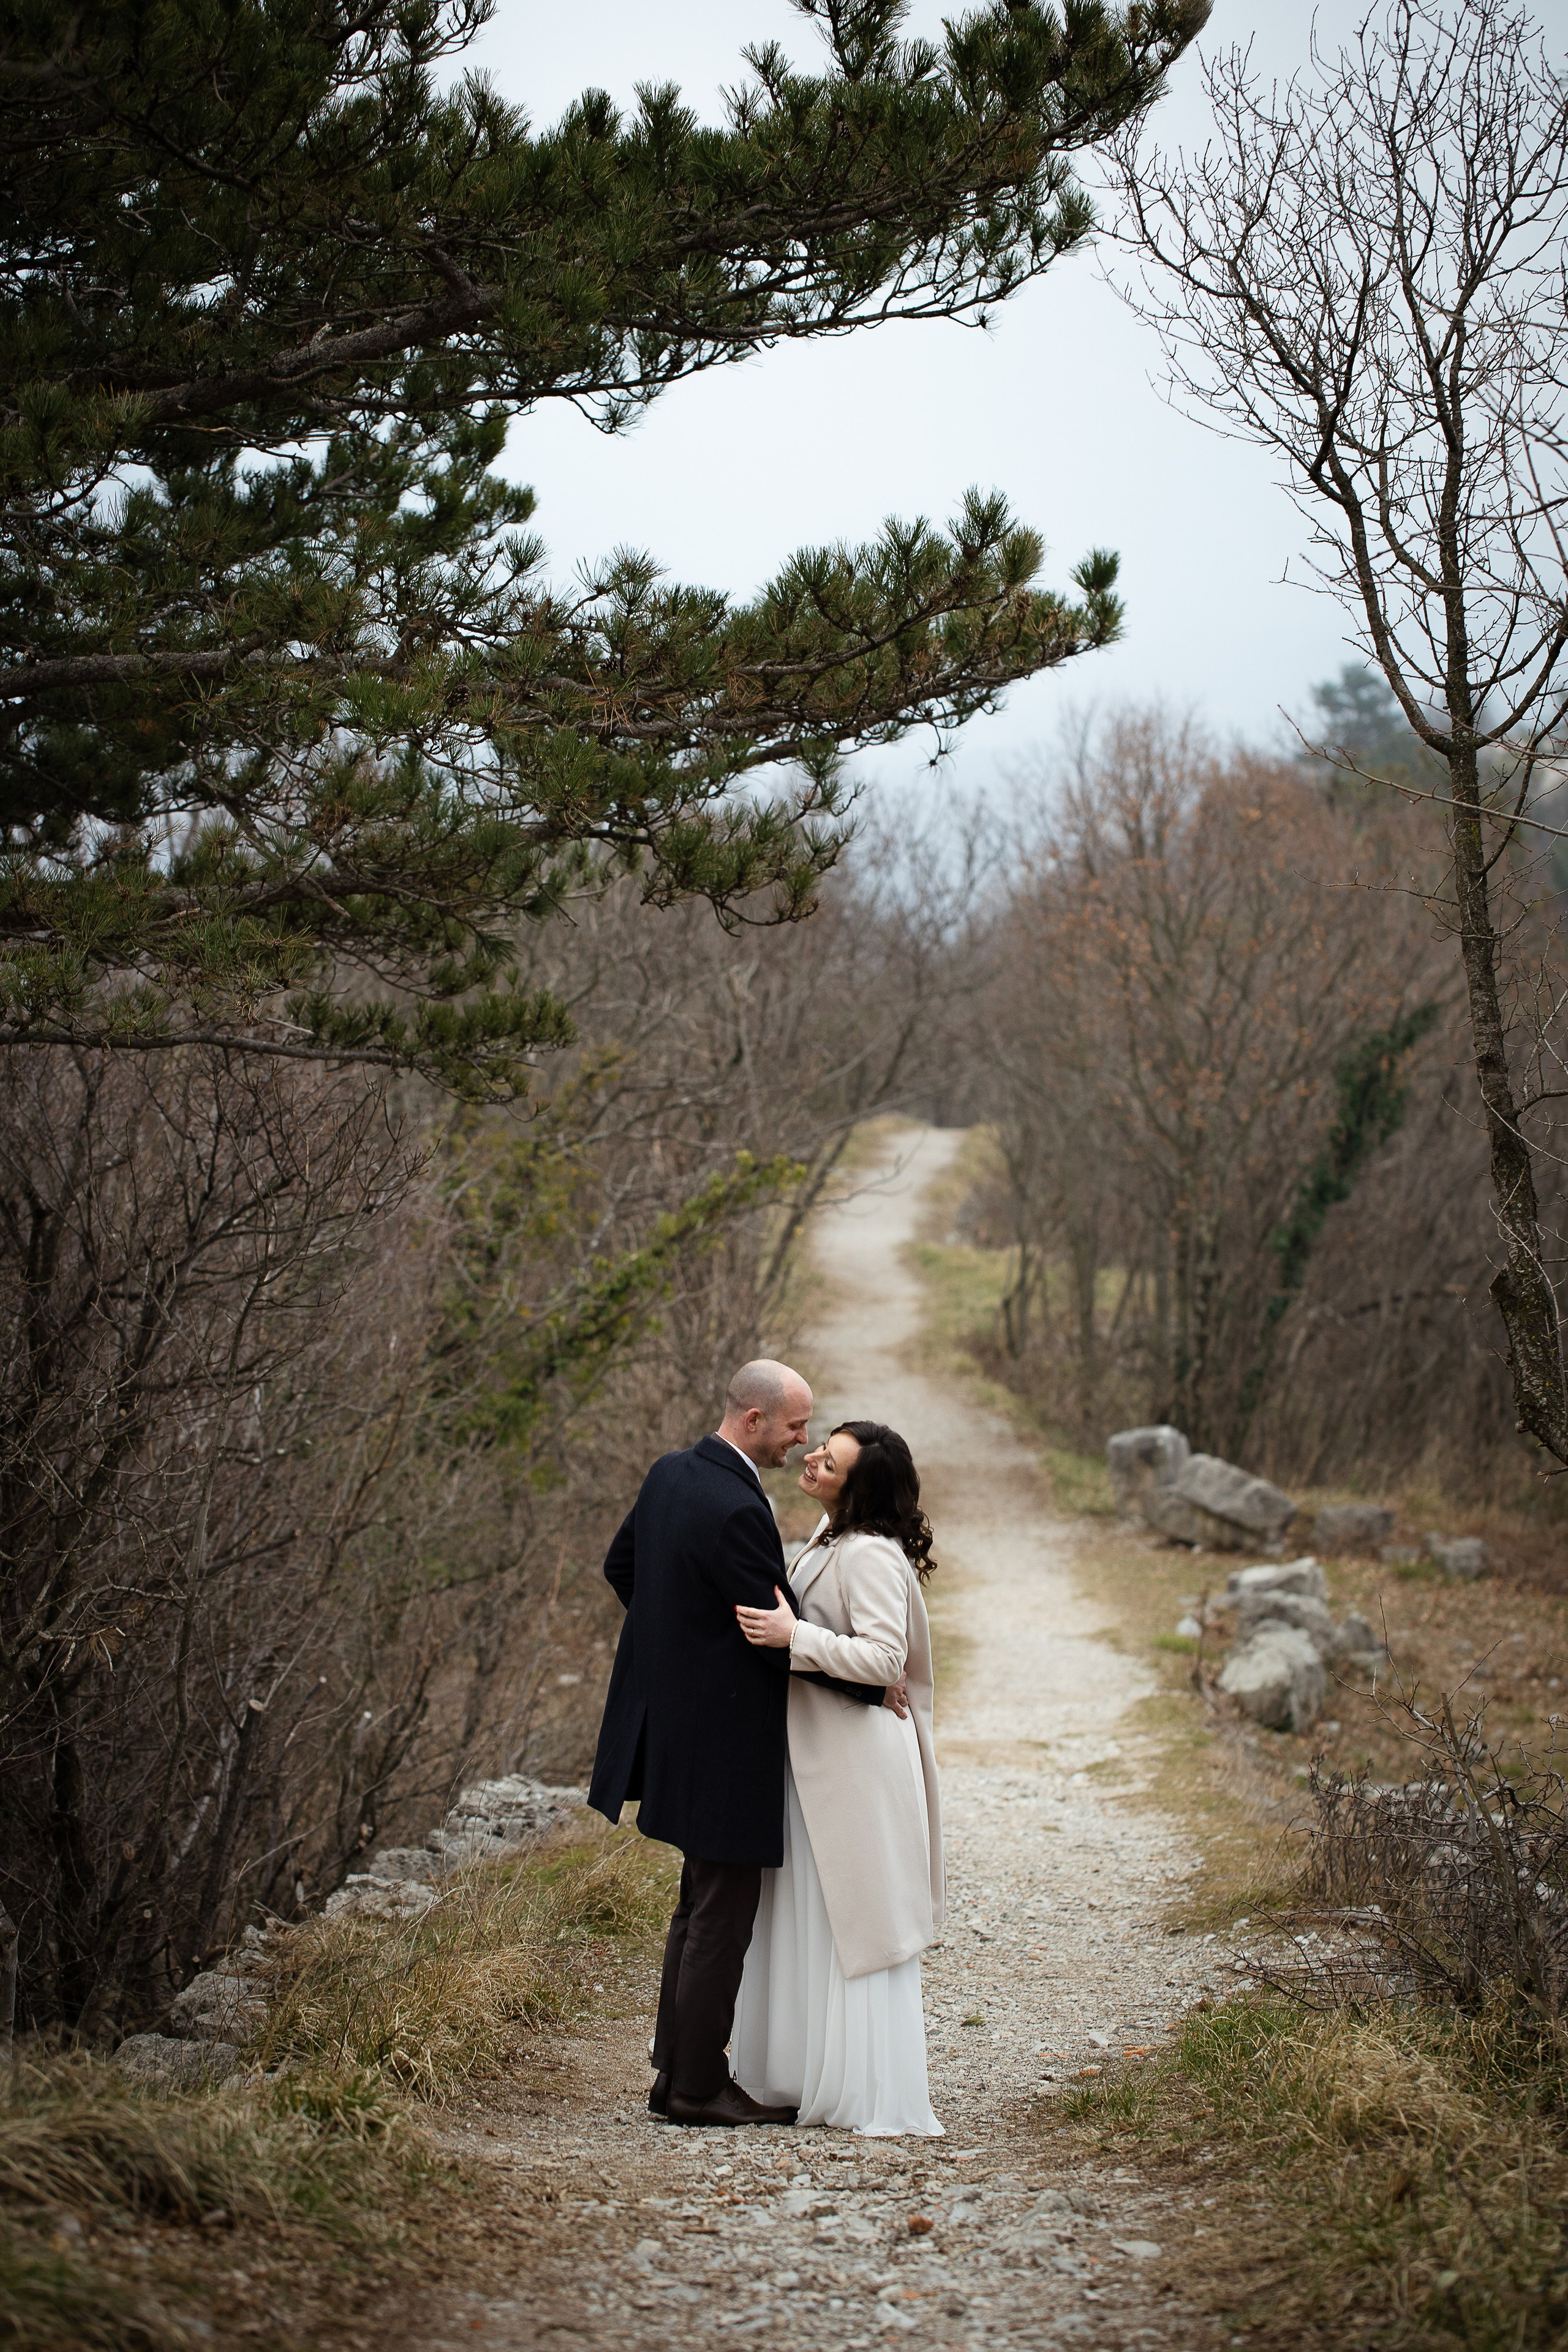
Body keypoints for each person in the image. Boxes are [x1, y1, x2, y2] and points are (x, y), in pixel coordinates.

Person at [587, 1360, 898, 2128]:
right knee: (722, 1913)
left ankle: (674, 2076)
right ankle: (696, 2087)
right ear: (753, 1419)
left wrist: (682, 1642)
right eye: (796, 1426)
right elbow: (773, 1633)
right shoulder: (736, 1507)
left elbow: (622, 1567)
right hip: (725, 1742)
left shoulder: (669, 1474)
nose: (803, 1441)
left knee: (697, 1906)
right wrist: (868, 1685)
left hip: (679, 1730)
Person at [731, 1420, 944, 2136]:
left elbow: (886, 1660)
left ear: (861, 1489)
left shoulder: (872, 1555)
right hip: (824, 1755)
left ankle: (864, 2089)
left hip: (857, 1763)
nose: (814, 1457)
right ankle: (803, 2072)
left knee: (855, 1917)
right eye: (822, 1445)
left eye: (833, 1460)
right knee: (817, 1919)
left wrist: (796, 1638)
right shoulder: (828, 1539)